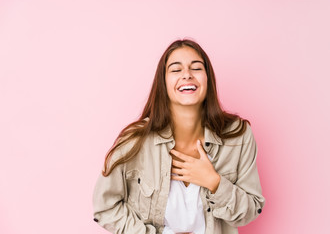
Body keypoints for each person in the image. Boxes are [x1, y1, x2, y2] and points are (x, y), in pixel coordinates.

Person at [92, 39, 265, 234]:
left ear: (208, 79)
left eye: (196, 68)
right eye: (175, 70)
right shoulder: (135, 140)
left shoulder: (238, 136)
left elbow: (251, 211)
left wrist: (214, 183)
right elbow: (105, 208)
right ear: (163, 83)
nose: (187, 75)